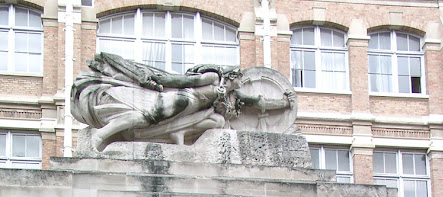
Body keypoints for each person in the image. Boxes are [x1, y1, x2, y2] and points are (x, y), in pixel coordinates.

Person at [71, 53, 295, 151]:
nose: (238, 82)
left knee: (217, 121)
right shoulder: (213, 79)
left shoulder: (233, 94)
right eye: (236, 78)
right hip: (184, 100)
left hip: (196, 113)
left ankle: (178, 134)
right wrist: (154, 79)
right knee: (149, 116)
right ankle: (103, 135)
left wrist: (285, 102)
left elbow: (257, 102)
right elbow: (180, 81)